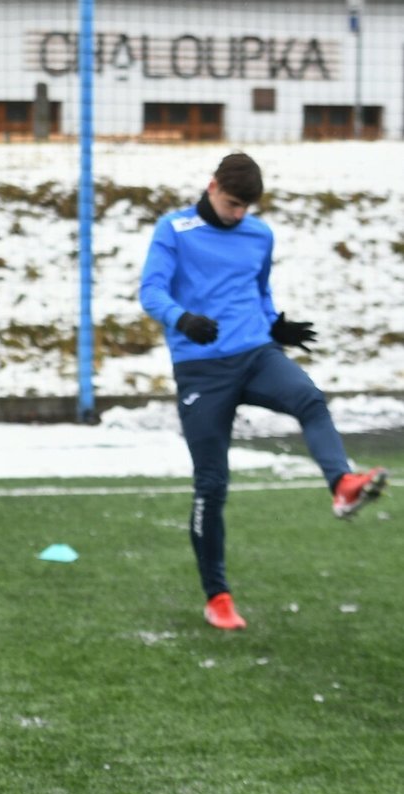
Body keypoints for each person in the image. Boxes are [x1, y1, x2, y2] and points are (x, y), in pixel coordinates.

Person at [139, 151, 388, 631]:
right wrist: (182, 318)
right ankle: (218, 597)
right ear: (212, 186)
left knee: (310, 398)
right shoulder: (174, 229)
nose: (238, 215)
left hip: (255, 354)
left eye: (246, 208)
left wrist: (276, 326)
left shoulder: (259, 234)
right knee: (212, 485)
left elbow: (259, 290)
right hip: (201, 370)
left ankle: (342, 484)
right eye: (233, 204)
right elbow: (151, 291)